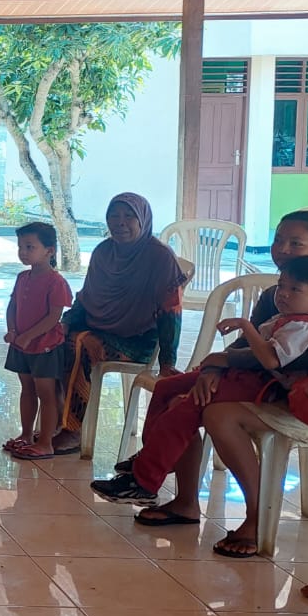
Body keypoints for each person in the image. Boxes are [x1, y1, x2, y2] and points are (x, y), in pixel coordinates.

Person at [93, 209, 308, 522]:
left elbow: (281, 358)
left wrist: (224, 360)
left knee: (189, 405)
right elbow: (244, 344)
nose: (283, 250)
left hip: (285, 392)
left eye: (296, 243)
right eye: (278, 240)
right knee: (169, 390)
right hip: (249, 375)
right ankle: (166, 478)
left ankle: (151, 480)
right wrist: (212, 369)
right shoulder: (276, 295)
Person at [53, 193, 187, 455]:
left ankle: (74, 431)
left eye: (129, 216)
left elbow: (171, 312)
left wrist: (167, 361)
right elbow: (87, 297)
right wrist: (65, 323)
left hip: (137, 340)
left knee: (82, 345)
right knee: (54, 341)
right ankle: (54, 421)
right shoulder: (104, 252)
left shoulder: (160, 257)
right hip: (99, 326)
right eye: (114, 216)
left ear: (143, 220)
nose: (120, 222)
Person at [200, 263, 308, 556]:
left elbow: (267, 358)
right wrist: (217, 363)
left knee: (213, 411)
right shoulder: (278, 309)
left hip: (302, 405)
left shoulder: (302, 324)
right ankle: (254, 510)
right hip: (288, 396)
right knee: (209, 408)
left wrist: (240, 336)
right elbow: (244, 352)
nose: (283, 293)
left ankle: (257, 515)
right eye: (282, 286)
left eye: (296, 243)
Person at [2, 222, 73, 460]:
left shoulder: (56, 282)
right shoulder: (23, 277)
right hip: (21, 344)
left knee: (47, 393)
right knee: (27, 390)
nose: (23, 252)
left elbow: (54, 317)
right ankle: (26, 435)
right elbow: (12, 306)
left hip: (45, 347)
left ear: (49, 251)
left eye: (30, 247)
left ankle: (46, 442)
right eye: (20, 247)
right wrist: (12, 330)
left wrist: (28, 336)